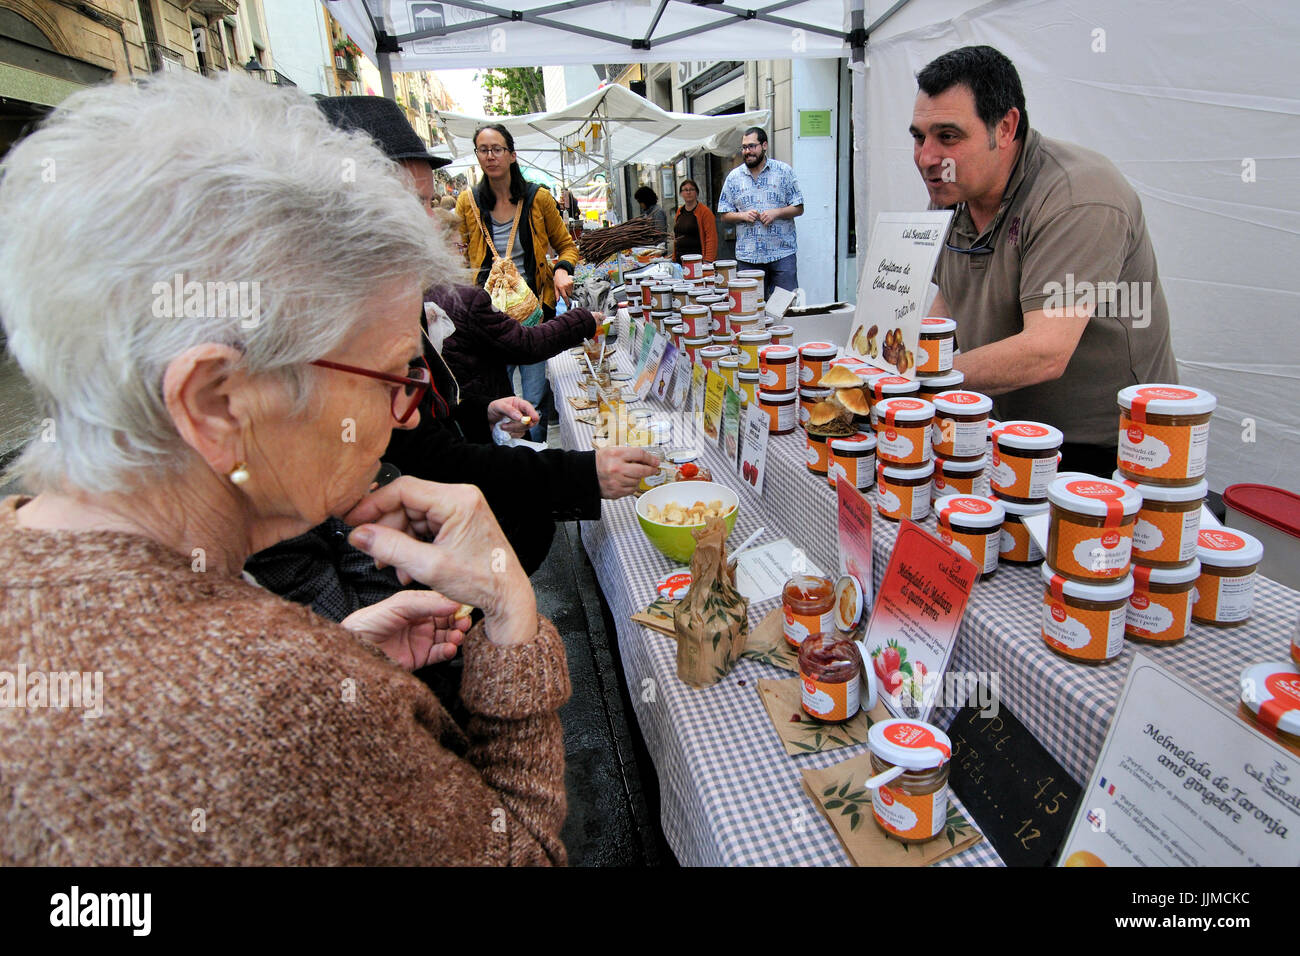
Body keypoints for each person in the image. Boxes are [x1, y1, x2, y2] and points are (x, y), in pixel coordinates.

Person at [0, 72, 570, 865]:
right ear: (220, 403)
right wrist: (513, 624)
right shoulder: (270, 708)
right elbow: (526, 853)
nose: (404, 415)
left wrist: (338, 668)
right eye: (391, 377)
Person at [912, 46, 1177, 475]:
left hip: (1112, 449)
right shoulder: (953, 194)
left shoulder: (1078, 195)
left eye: (948, 136)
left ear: (1005, 127)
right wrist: (895, 352)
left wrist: (913, 375)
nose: (926, 158)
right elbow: (950, 303)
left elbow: (1046, 352)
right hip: (1009, 428)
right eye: (919, 137)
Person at [457, 124, 579, 442]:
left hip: (533, 315)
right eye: (483, 150)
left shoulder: (537, 198)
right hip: (488, 320)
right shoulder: (467, 203)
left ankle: (534, 456)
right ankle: (511, 461)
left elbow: (566, 245)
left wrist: (562, 270)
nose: (491, 156)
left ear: (512, 155)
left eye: (497, 149)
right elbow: (456, 255)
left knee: (535, 399)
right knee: (499, 399)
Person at [717, 127, 804, 298]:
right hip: (748, 257)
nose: (747, 151)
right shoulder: (734, 177)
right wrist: (742, 215)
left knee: (785, 308)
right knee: (752, 310)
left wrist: (776, 213)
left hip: (782, 254)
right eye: (744, 147)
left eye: (752, 146)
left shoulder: (783, 171)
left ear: (764, 145)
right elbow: (724, 214)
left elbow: (799, 207)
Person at [673, 179, 717, 263]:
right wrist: (674, 257)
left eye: (691, 189)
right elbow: (676, 236)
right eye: (685, 190)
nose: (688, 192)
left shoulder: (705, 212)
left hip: (698, 260)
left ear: (696, 192)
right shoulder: (679, 211)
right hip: (680, 259)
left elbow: (711, 238)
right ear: (681, 194)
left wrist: (708, 260)